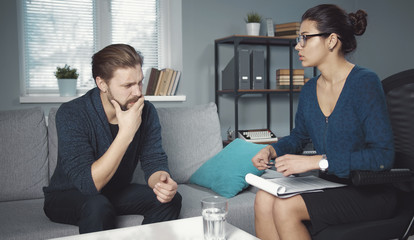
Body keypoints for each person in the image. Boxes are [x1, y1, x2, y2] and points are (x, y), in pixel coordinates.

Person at [251, 4, 397, 240]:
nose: (298, 45)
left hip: (368, 190)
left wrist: (317, 162)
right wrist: (272, 149)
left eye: (305, 38)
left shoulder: (364, 82)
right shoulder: (309, 90)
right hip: (330, 184)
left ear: (331, 41)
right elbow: (299, 136)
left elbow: (382, 157)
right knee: (263, 199)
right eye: (300, 39)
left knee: (285, 207)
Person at [43, 44, 182, 234]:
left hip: (114, 192)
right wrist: (126, 133)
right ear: (102, 84)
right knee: (97, 205)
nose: (138, 92)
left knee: (170, 199)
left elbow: (154, 161)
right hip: (68, 194)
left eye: (140, 82)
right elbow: (88, 184)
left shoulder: (146, 111)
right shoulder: (72, 113)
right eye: (128, 85)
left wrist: (162, 182)